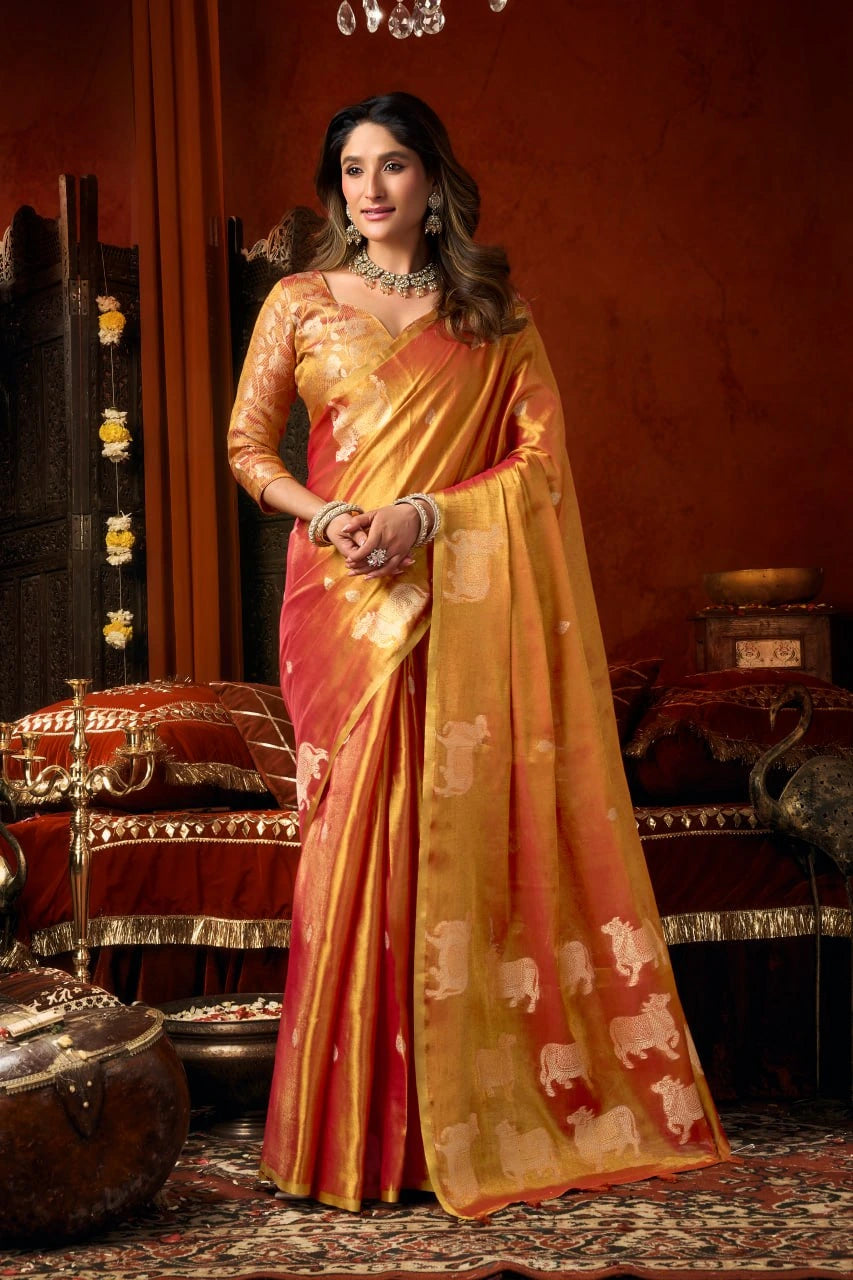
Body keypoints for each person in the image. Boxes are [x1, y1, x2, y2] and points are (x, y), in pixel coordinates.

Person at [228, 91, 729, 1219]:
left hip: (452, 601)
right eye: (352, 168)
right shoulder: (298, 302)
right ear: (333, 190)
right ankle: (344, 1137)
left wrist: (426, 516)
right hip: (338, 605)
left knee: (445, 844)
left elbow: (540, 468)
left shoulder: (496, 315)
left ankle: (441, 1129)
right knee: (350, 847)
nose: (372, 187)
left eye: (393, 164)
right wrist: (324, 517)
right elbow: (245, 444)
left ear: (432, 178)